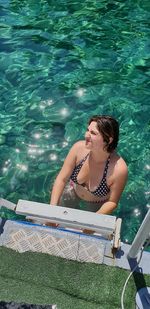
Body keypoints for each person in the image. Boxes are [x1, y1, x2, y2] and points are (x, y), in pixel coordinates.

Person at [50, 115, 128, 217]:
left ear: (108, 140)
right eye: (88, 130)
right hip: (73, 191)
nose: (86, 135)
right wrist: (52, 209)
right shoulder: (78, 149)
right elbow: (62, 179)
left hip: (96, 204)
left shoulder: (119, 169)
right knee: (56, 218)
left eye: (93, 133)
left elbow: (112, 202)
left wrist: (93, 221)